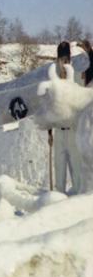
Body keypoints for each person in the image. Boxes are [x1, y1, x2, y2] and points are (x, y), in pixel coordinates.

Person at [50, 41, 83, 194]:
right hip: (58, 133)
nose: (63, 64)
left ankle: (77, 196)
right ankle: (59, 198)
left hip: (73, 132)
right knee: (59, 168)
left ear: (70, 61)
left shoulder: (76, 80)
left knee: (76, 167)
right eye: (61, 60)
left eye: (66, 60)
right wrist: (49, 132)